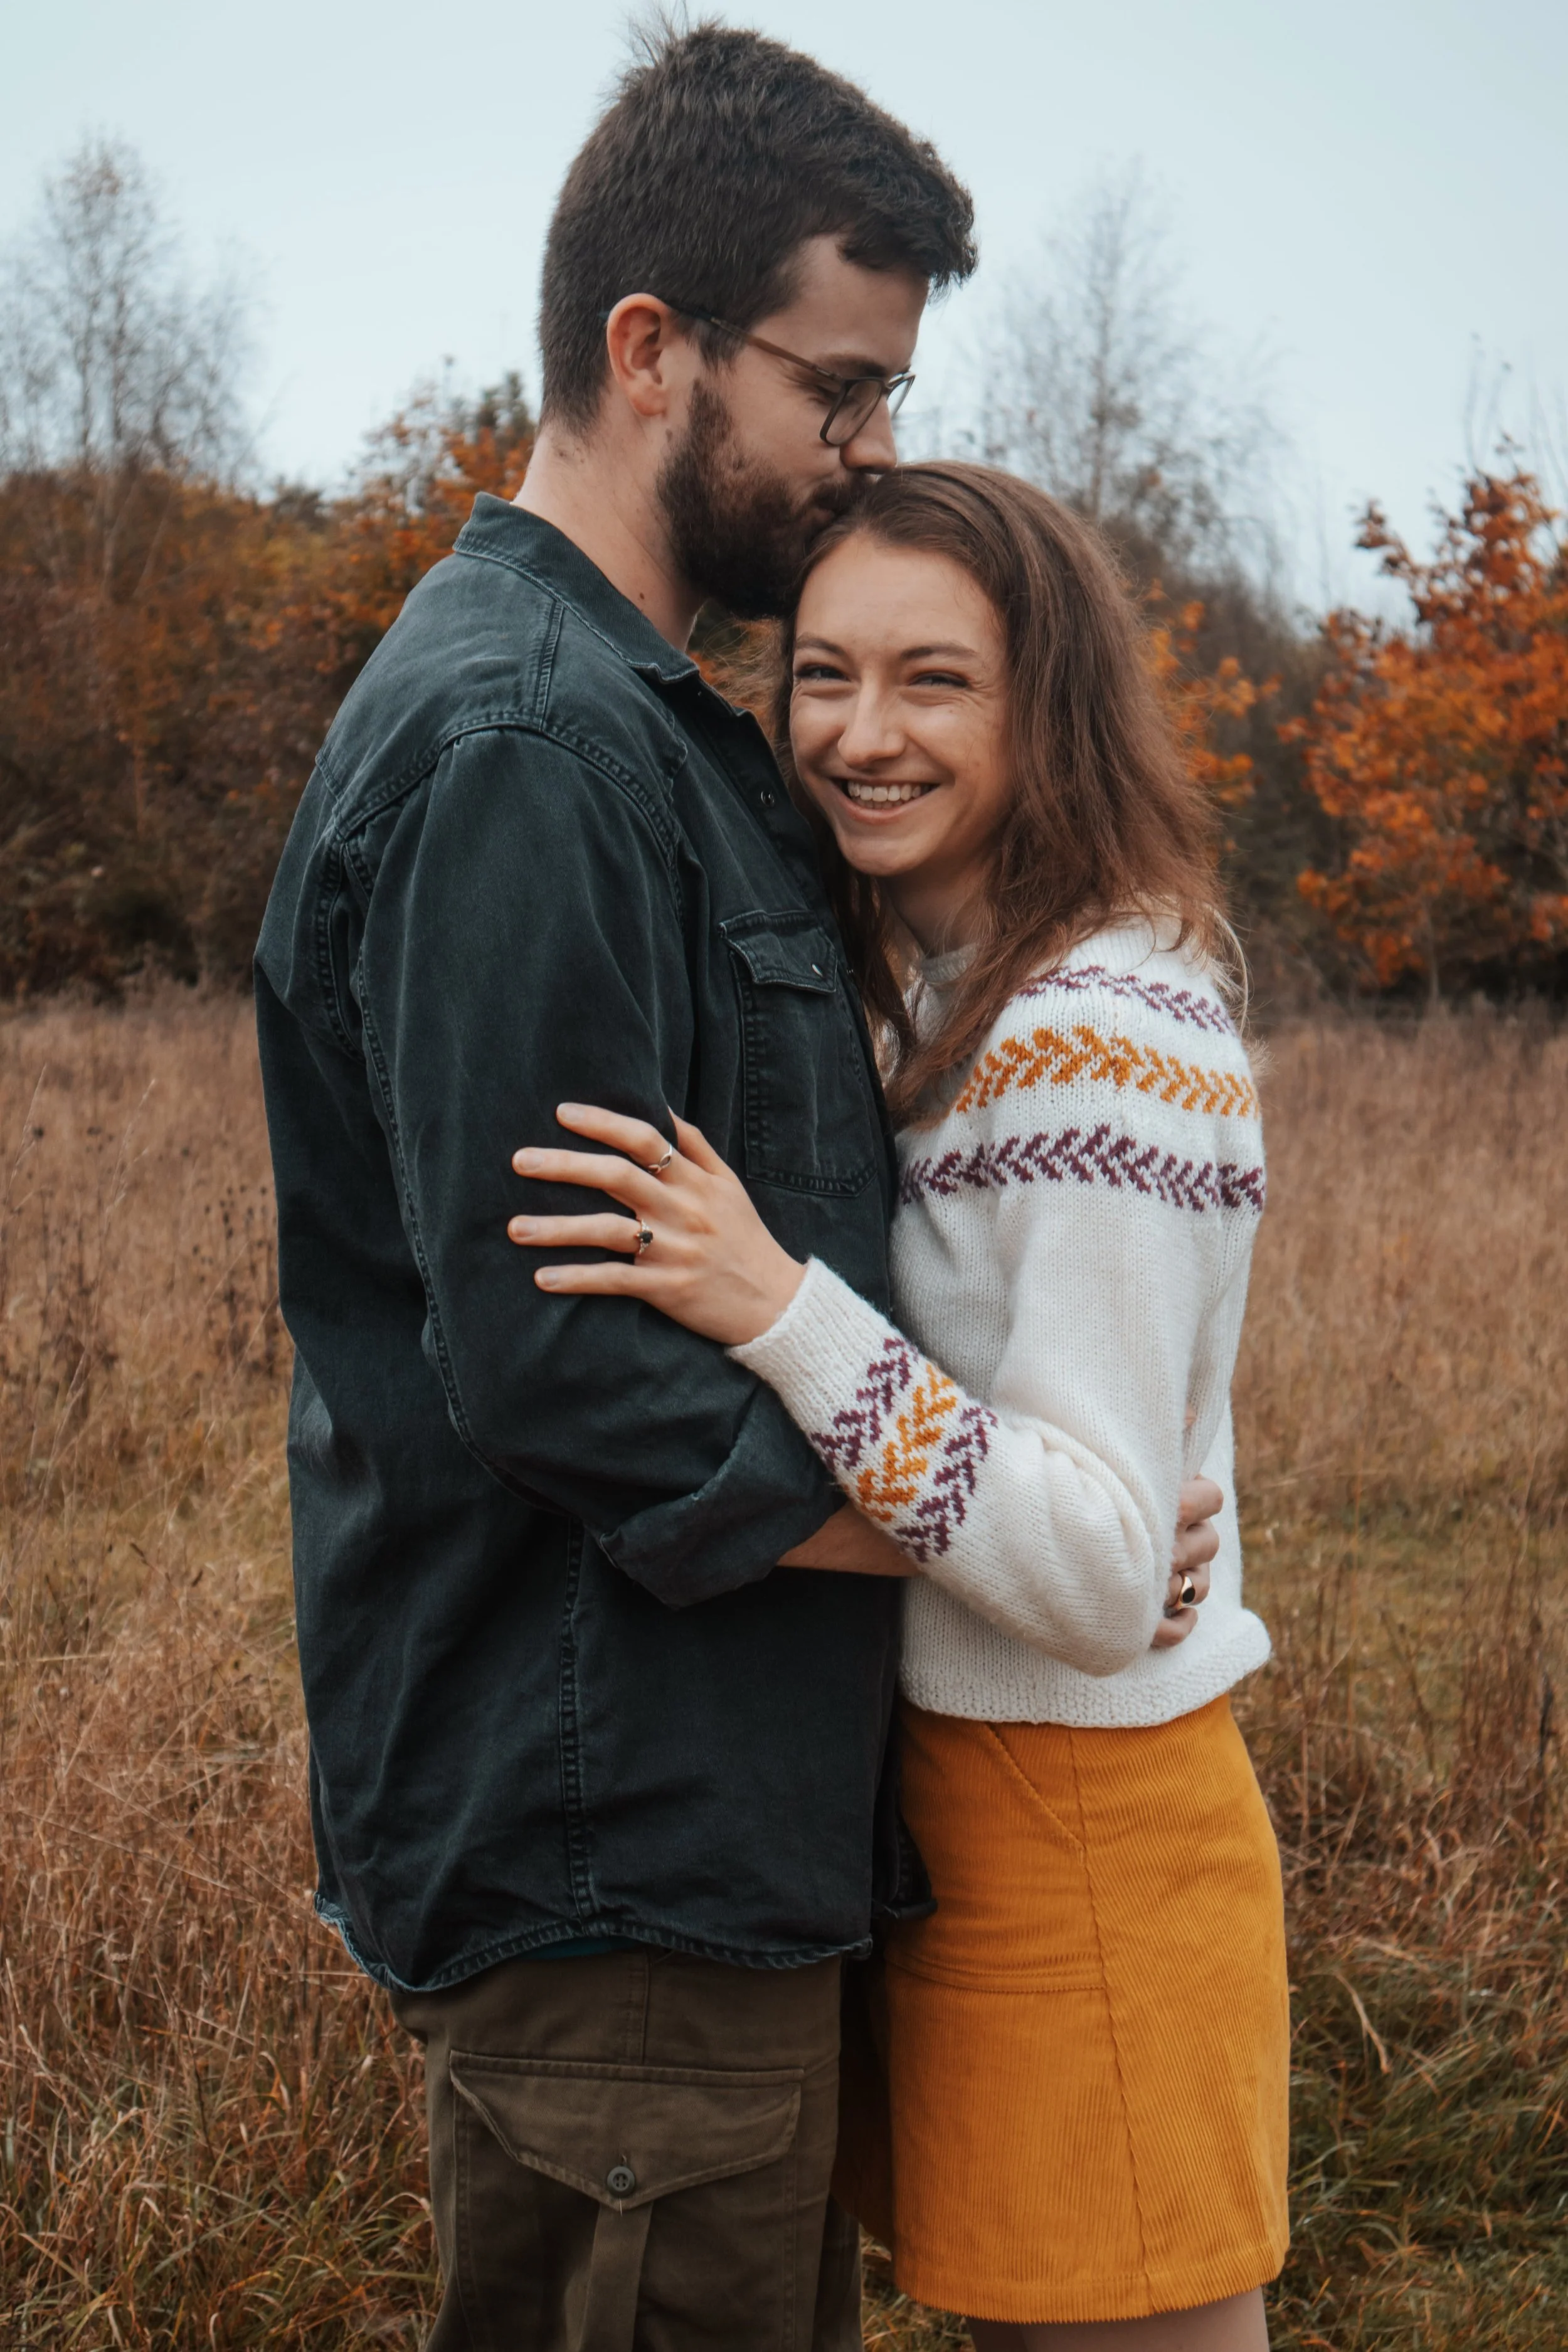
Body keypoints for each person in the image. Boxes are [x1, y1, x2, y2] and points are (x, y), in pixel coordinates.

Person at [507, 463, 1288, 2350]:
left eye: (933, 680)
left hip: (1083, 1840)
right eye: (825, 677)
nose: (861, 735)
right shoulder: (941, 995)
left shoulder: (1103, 1031)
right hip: (957, 1821)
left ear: (1047, 705)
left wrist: (776, 1305)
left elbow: (1101, 1569)